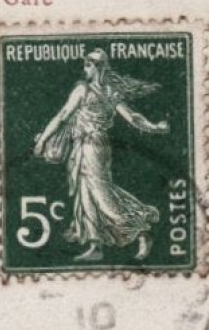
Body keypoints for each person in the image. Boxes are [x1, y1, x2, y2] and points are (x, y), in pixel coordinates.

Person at [33, 49, 170, 262]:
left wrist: (42, 140)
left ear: (98, 67)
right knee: (86, 192)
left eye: (88, 65)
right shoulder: (109, 92)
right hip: (87, 145)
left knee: (100, 192)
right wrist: (153, 127)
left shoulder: (84, 90)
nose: (84, 69)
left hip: (92, 146)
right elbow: (133, 118)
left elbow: (62, 116)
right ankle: (95, 245)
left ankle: (141, 231)